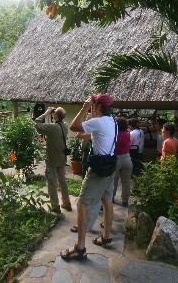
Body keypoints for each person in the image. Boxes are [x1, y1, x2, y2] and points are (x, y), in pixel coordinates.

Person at [60, 93, 116, 261]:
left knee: (82, 203)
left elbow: (74, 126)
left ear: (98, 106)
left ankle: (80, 248)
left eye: (93, 105)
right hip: (110, 167)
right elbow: (90, 135)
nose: (91, 107)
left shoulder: (97, 122)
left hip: (98, 171)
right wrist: (89, 127)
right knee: (107, 200)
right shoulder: (111, 121)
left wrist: (85, 108)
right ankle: (106, 236)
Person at [34, 106, 72, 214]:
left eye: (54, 113)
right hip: (62, 158)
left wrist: (46, 112)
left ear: (55, 115)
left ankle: (55, 207)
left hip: (52, 159)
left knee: (52, 183)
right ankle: (67, 203)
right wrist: (55, 113)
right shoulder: (65, 126)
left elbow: (37, 123)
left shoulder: (52, 127)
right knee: (62, 181)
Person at [113, 117, 132, 206]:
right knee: (126, 181)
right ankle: (125, 200)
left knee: (114, 180)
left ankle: (111, 197)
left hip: (116, 159)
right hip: (127, 158)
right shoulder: (128, 134)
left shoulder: (114, 134)